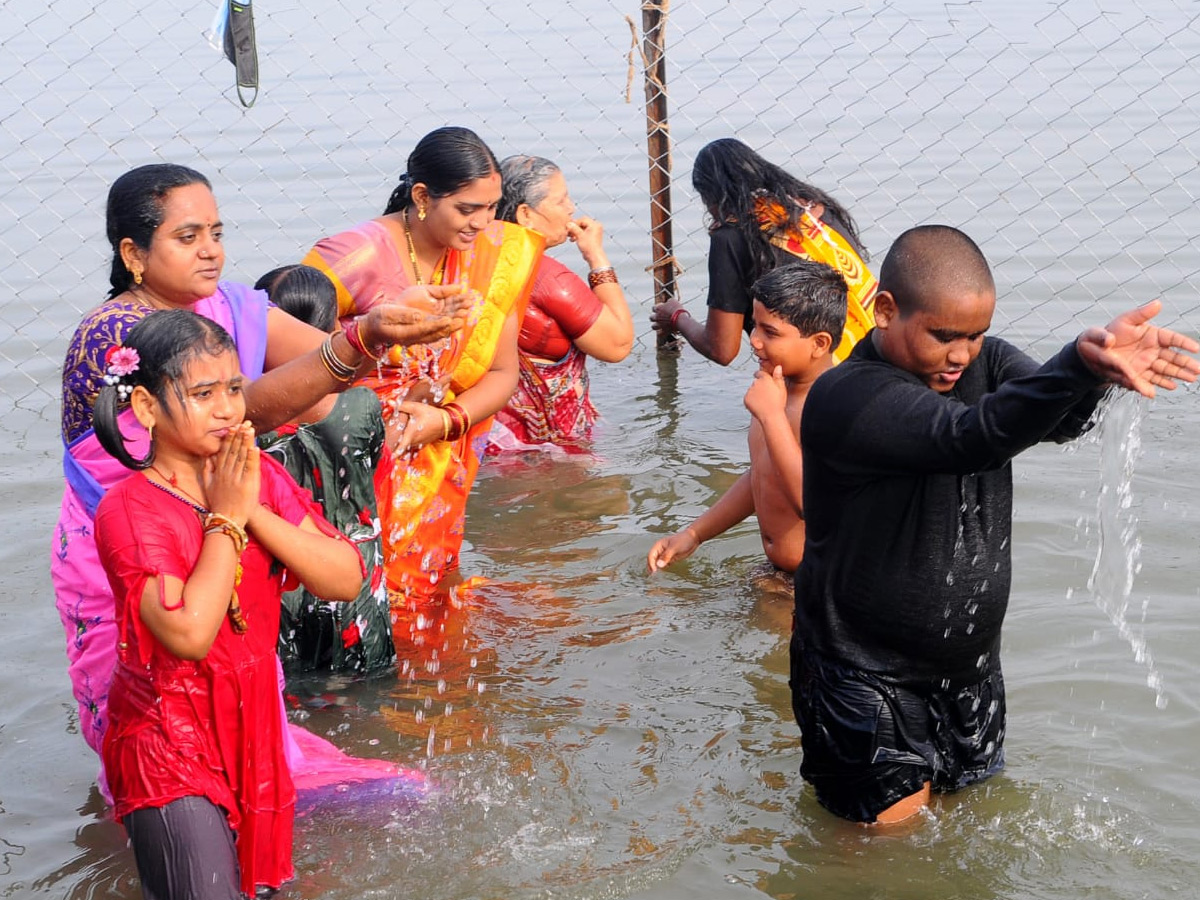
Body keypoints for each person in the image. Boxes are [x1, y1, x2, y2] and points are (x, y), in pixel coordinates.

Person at [53, 163, 458, 795]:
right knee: (154, 735)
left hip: (224, 518)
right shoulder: (115, 336)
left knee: (241, 736)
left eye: (215, 231)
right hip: (132, 547)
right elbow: (243, 409)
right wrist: (357, 344)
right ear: (134, 253)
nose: (210, 249)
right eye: (187, 237)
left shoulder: (228, 305)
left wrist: (389, 332)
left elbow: (321, 353)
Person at [791, 224, 1200, 825]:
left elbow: (1059, 423)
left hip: (970, 670)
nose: (961, 355)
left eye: (975, 336)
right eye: (943, 336)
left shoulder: (985, 363)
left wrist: (1096, 373)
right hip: (865, 676)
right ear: (884, 310)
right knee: (879, 864)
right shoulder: (847, 396)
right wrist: (1074, 363)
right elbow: (968, 438)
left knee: (969, 835)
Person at [93, 310, 365, 898]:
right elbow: (188, 632)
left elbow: (344, 578)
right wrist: (226, 519)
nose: (227, 409)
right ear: (145, 407)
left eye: (235, 388)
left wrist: (249, 509)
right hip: (167, 738)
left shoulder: (254, 476)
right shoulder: (128, 510)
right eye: (202, 393)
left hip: (255, 727)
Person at [303, 126, 544, 603]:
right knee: (354, 600)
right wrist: (375, 337)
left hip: (437, 454)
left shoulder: (498, 255)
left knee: (428, 601)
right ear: (422, 196)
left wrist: (444, 421)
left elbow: (502, 373)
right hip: (350, 461)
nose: (482, 224)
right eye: (467, 209)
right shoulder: (355, 256)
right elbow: (288, 362)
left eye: (491, 207)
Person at [647, 261, 845, 578]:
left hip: (818, 582)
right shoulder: (775, 390)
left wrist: (770, 416)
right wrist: (695, 534)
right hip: (775, 570)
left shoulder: (831, 405)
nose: (753, 339)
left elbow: (813, 503)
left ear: (819, 344)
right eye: (755, 325)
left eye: (771, 332)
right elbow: (763, 476)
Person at [254, 264, 395, 674]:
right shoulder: (362, 405)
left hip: (283, 581)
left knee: (292, 696)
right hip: (355, 576)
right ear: (332, 326)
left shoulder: (247, 416)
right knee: (368, 694)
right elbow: (376, 474)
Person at [651, 138, 877, 365]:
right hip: (873, 350)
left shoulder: (732, 236)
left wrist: (676, 316)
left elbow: (722, 349)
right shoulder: (817, 210)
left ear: (711, 197)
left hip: (821, 378)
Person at [486, 154, 634, 452]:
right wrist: (596, 256)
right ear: (525, 214)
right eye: (561, 200)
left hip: (493, 441)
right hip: (552, 451)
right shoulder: (548, 278)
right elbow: (618, 345)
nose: (571, 208)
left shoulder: (476, 260)